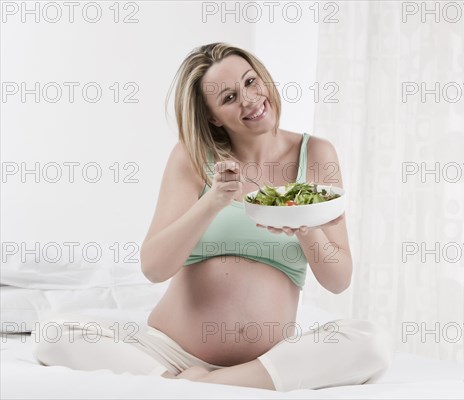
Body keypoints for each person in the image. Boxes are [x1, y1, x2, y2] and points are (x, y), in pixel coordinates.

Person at [32, 42, 393, 392]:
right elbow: (154, 268)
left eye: (251, 81)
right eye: (229, 98)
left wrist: (304, 226)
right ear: (212, 117)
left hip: (265, 359)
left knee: (370, 344)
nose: (250, 100)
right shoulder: (191, 156)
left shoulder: (316, 153)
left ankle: (202, 386)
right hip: (169, 352)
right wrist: (214, 201)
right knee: (52, 333)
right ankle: (181, 382)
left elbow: (339, 279)